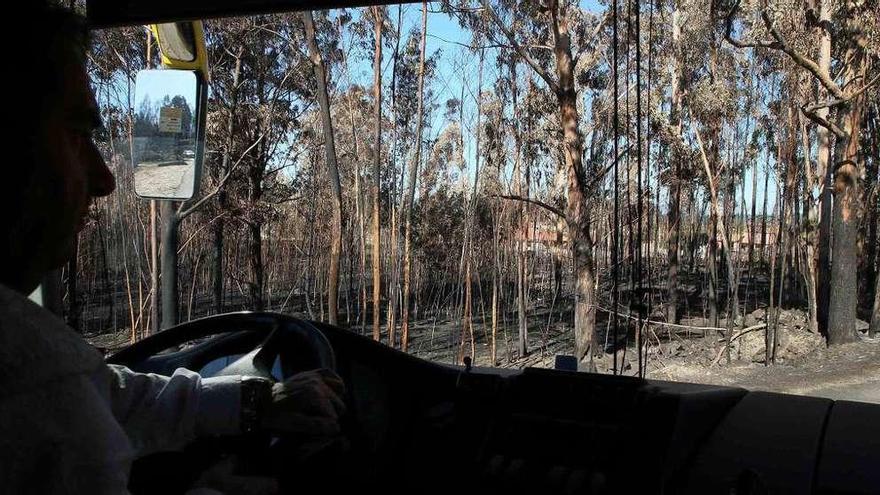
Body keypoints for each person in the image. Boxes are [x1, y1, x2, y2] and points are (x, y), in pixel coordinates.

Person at [0, 6, 345, 494]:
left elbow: (109, 394)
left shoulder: (44, 370)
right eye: (78, 134)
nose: (104, 179)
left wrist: (254, 404)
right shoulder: (33, 379)